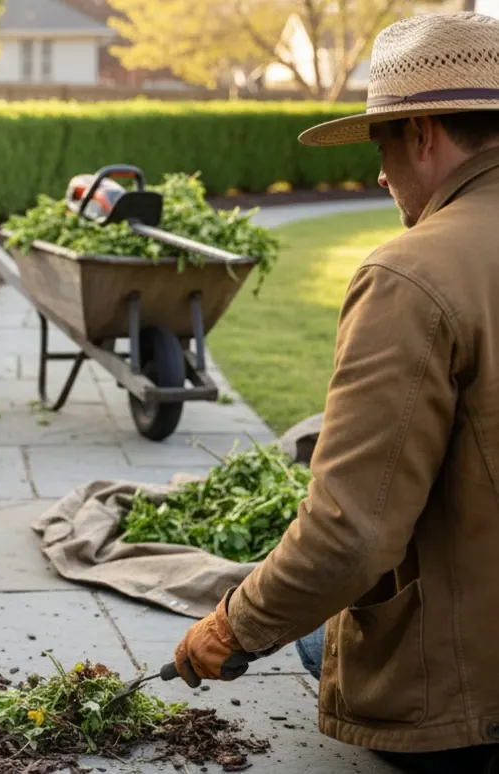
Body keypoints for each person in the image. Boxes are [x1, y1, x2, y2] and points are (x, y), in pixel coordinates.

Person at [169, 11, 499, 774]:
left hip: (469, 713)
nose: (379, 175)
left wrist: (230, 625)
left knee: (324, 633)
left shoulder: (413, 274)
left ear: (421, 132)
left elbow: (350, 538)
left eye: (380, 144)